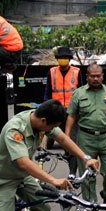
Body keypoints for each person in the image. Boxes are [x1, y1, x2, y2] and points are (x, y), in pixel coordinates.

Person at [65, 63, 106, 203]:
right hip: (86, 138)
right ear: (87, 77)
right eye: (92, 76)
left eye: (98, 76)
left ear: (102, 76)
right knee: (87, 175)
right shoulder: (79, 93)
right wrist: (67, 135)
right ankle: (91, 205)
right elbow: (71, 116)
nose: (95, 79)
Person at [43, 46, 84, 175]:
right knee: (57, 138)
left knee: (72, 141)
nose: (63, 60)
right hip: (56, 111)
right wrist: (46, 107)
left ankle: (72, 171)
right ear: (57, 59)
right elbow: (48, 92)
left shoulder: (77, 72)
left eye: (65, 58)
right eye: (60, 58)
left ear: (70, 59)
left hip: (72, 112)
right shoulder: (52, 72)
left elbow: (81, 92)